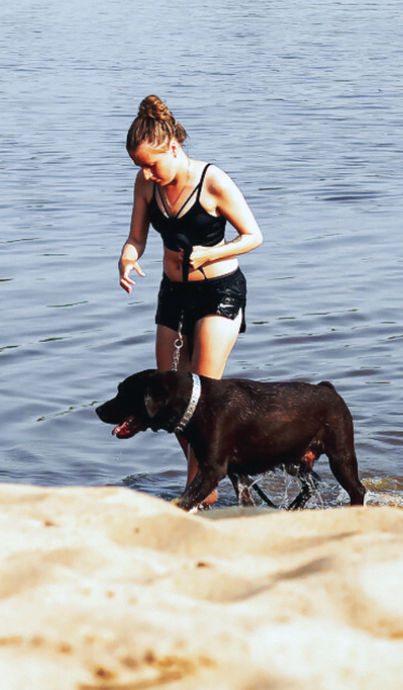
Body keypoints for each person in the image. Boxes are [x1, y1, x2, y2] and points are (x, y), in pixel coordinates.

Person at [118, 95, 263, 503]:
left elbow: (253, 235)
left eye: (152, 164)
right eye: (140, 167)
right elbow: (136, 238)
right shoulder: (146, 184)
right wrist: (127, 259)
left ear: (173, 147)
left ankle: (197, 492)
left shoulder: (212, 181)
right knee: (168, 400)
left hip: (220, 292)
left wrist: (211, 253)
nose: (147, 173)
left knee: (200, 397)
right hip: (173, 295)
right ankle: (214, 472)